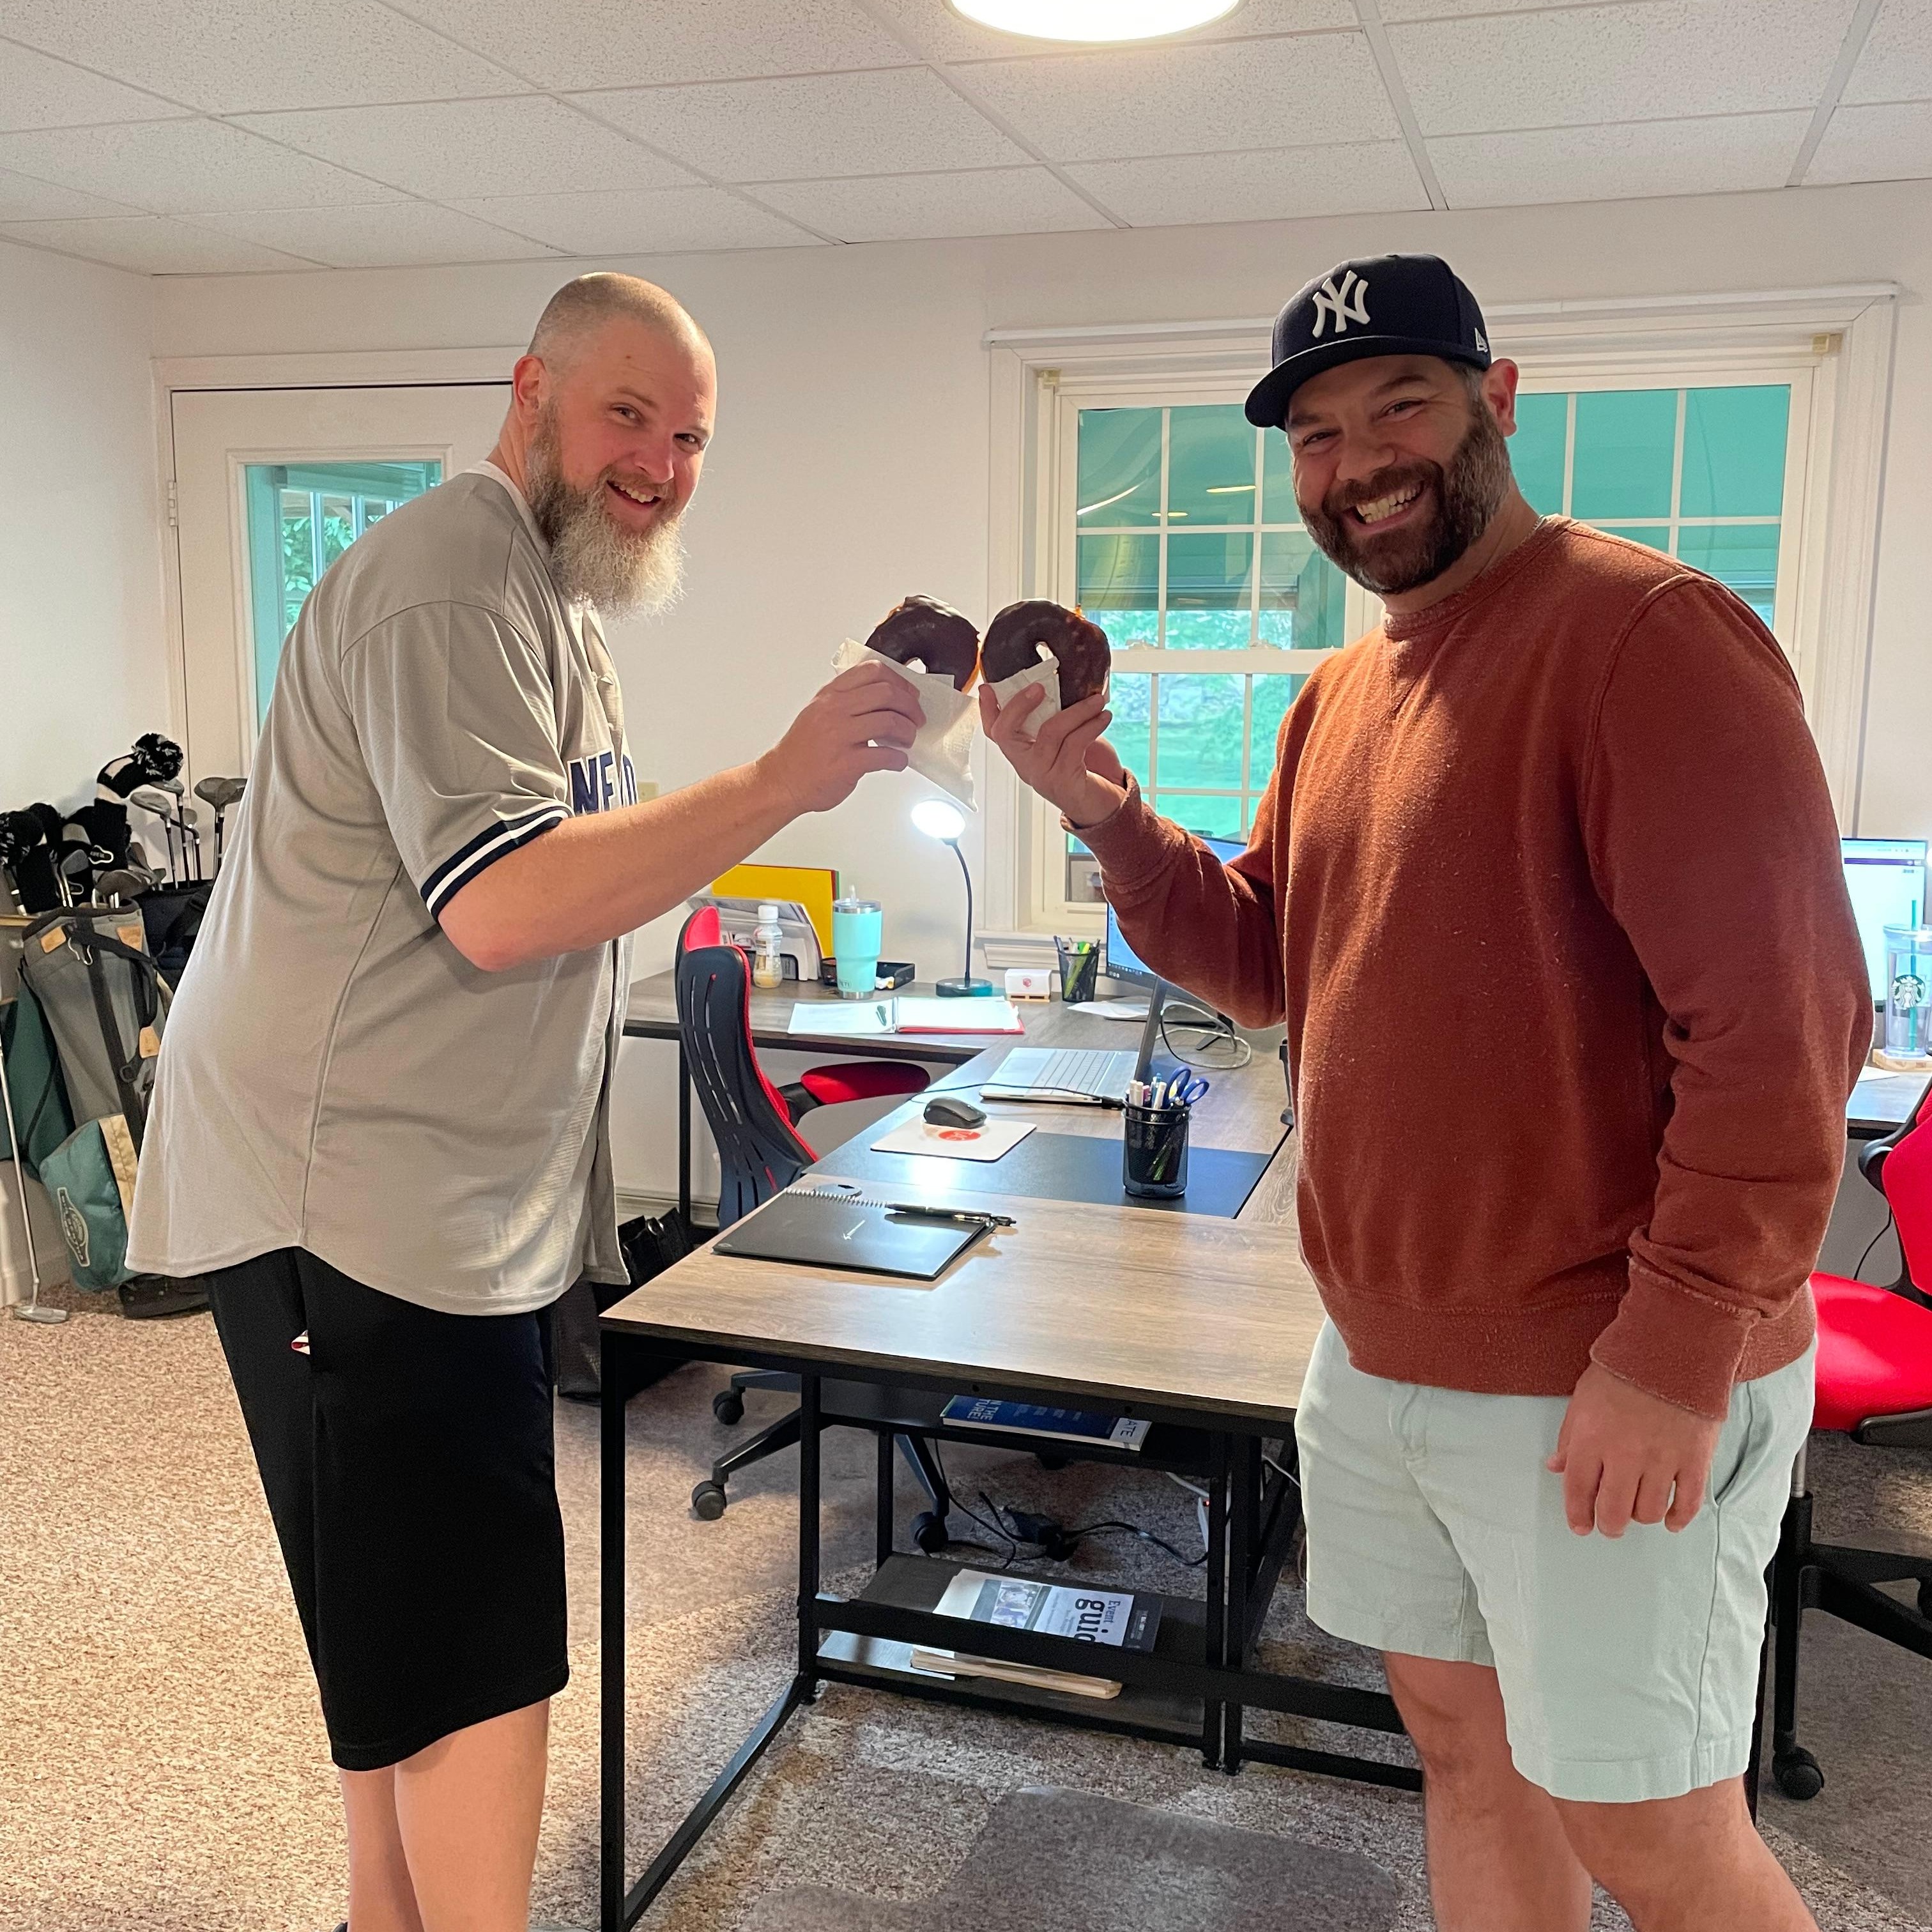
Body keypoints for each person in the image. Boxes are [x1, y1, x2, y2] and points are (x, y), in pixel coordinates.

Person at [983, 253, 1870, 1932]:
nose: (1360, 459)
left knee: (1655, 1832)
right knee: (1463, 1755)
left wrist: (1675, 1358)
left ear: (1499, 400)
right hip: (1379, 1359)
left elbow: (1784, 1031)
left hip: (1600, 1379)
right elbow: (1267, 956)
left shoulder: (1649, 638)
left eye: (1401, 405)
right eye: (1317, 433)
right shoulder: (1341, 696)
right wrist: (1105, 810)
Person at [127, 272, 923, 1932]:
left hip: (444, 1201)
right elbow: (499, 903)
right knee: (476, 1639)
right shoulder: (445, 581)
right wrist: (778, 780)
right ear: (533, 391)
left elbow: (571, 878)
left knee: (398, 1620)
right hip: (342, 1199)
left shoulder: (549, 601)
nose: (662, 461)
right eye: (631, 414)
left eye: (692, 435)